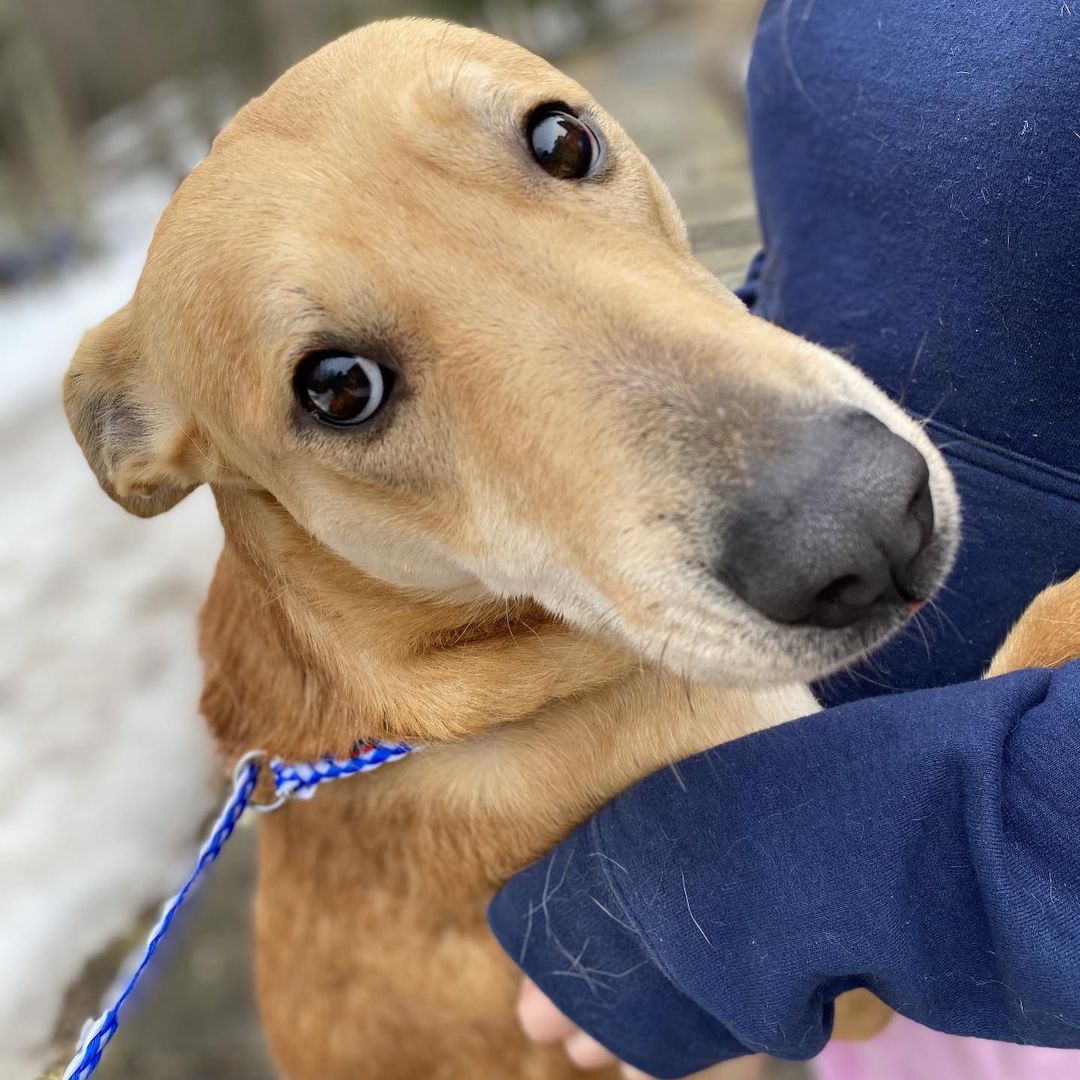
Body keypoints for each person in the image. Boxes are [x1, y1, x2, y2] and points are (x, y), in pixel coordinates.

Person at [487, 2, 1080, 1077]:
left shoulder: (781, 876)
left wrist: (748, 887)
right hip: (888, 924)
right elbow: (873, 237)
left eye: (556, 149)